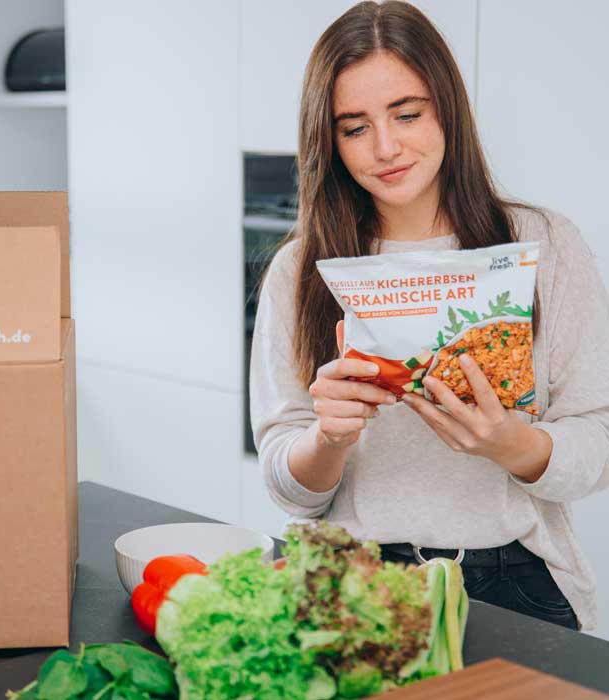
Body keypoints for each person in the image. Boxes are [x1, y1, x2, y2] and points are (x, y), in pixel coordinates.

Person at [250, 0, 609, 633]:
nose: (386, 147)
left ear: (448, 107)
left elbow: (599, 440)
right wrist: (327, 439)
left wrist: (516, 447)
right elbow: (288, 486)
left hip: (513, 579)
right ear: (327, 139)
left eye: (408, 114)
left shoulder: (544, 245)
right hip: (348, 576)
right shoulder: (301, 268)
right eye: (353, 127)